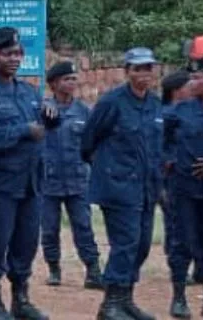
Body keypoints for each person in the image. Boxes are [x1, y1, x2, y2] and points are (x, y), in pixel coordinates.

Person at [0, 27, 55, 320]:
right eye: (7, 54)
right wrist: (23, 130)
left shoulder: (28, 91)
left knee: (26, 242)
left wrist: (53, 114)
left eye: (18, 53)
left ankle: (21, 299)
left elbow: (46, 122)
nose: (14, 59)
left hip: (29, 182)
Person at [81, 47, 162, 320]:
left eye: (148, 68)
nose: (144, 74)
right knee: (126, 243)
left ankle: (126, 299)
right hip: (118, 186)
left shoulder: (155, 104)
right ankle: (110, 304)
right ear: (127, 72)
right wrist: (107, 169)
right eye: (137, 68)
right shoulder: (112, 102)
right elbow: (88, 140)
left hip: (146, 187)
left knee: (142, 244)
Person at [39, 61, 102, 289]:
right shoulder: (42, 111)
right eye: (67, 79)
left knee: (83, 226)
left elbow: (93, 146)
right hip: (48, 180)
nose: (72, 83)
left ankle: (93, 270)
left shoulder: (84, 111)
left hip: (77, 180)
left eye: (74, 78)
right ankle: (54, 268)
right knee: (49, 228)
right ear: (55, 84)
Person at [159, 70, 194, 319]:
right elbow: (155, 145)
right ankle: (179, 295)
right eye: (189, 82)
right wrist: (168, 161)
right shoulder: (165, 116)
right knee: (179, 237)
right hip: (177, 185)